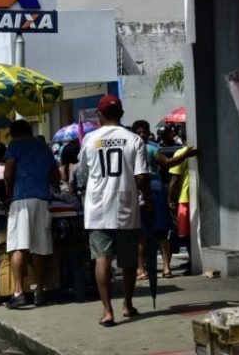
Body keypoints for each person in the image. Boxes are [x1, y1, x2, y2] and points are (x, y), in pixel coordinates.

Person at [78, 95, 151, 327]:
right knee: (128, 262)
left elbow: (82, 172)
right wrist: (147, 199)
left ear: (99, 115)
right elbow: (141, 177)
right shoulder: (134, 139)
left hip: (98, 208)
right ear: (121, 113)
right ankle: (127, 305)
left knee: (102, 259)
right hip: (125, 207)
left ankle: (107, 311)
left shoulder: (89, 139)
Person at [4, 119, 60, 309]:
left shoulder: (14, 146)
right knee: (39, 248)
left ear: (13, 133)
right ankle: (39, 291)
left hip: (21, 198)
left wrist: (9, 188)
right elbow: (56, 175)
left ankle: (19, 292)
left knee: (19, 246)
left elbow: (9, 172)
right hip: (43, 199)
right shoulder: (43, 146)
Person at [130, 120, 197, 279]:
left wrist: (184, 154)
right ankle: (145, 269)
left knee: (156, 233)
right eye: (139, 132)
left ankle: (161, 268)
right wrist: (185, 154)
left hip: (148, 194)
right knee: (146, 235)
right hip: (147, 194)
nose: (142, 134)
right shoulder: (148, 149)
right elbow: (167, 163)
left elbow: (167, 163)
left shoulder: (146, 150)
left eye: (144, 131)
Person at [169, 145, 193, 275]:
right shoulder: (188, 152)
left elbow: (174, 179)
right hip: (191, 196)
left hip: (184, 198)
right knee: (187, 233)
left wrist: (171, 200)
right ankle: (192, 260)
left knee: (186, 233)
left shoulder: (181, 152)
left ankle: (192, 262)